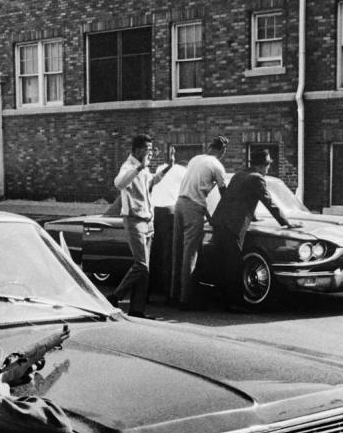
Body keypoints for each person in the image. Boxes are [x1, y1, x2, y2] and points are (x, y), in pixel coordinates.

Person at [210, 148, 298, 308]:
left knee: (220, 261)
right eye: (267, 166)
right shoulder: (256, 179)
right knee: (234, 263)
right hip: (232, 226)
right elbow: (269, 202)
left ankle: (220, 299)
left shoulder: (239, 175)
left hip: (219, 222)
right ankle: (235, 303)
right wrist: (286, 223)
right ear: (260, 166)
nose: (267, 169)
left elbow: (238, 199)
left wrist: (254, 217)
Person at [106, 134, 175, 318]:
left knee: (145, 270)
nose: (151, 153)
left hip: (147, 221)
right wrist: (138, 168)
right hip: (134, 220)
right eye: (148, 149)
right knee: (141, 265)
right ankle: (115, 296)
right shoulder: (129, 167)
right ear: (137, 150)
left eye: (152, 149)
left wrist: (168, 167)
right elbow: (119, 183)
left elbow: (152, 181)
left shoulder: (143, 169)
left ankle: (137, 309)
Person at [171, 136, 228, 310]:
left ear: (209, 147)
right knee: (190, 253)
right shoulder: (217, 166)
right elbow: (224, 193)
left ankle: (173, 295)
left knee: (177, 251)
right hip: (194, 208)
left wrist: (209, 215)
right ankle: (185, 299)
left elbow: (195, 185)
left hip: (179, 204)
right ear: (222, 150)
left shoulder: (195, 159)